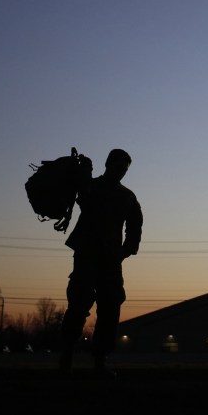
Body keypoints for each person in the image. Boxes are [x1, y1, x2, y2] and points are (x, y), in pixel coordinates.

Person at [59, 148, 143, 377]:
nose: (121, 173)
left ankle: (99, 361)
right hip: (87, 253)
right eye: (118, 167)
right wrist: (84, 173)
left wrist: (125, 251)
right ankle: (66, 358)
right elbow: (83, 199)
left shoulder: (127, 196)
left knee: (110, 306)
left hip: (110, 258)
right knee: (79, 303)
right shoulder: (91, 187)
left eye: (125, 170)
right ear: (108, 164)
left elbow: (135, 226)